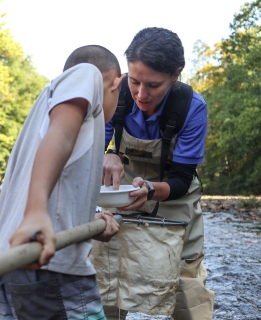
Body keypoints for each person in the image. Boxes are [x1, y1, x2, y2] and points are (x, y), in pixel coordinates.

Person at [0, 45, 124, 319]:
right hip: (50, 268)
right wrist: (37, 212)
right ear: (116, 83)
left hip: (5, 266)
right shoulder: (88, 76)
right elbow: (61, 136)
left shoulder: (39, 123)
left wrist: (92, 223)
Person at [96, 27, 214, 320]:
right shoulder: (115, 93)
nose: (141, 94)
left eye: (153, 85)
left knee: (187, 282)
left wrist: (150, 189)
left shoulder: (192, 108)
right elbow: (88, 147)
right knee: (107, 273)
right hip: (122, 192)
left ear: (176, 74)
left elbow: (181, 179)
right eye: (134, 81)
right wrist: (106, 154)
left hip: (175, 197)